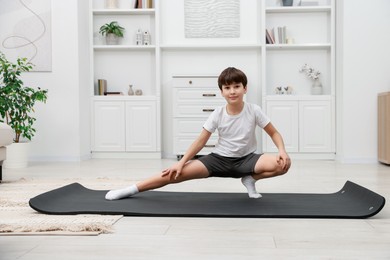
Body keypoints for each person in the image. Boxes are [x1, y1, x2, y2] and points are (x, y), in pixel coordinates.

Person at [105, 67, 291, 200]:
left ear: (245, 88)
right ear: (221, 92)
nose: (232, 91)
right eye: (227, 88)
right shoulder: (218, 113)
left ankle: (249, 179)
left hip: (247, 159)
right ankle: (131, 190)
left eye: (236, 86)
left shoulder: (254, 110)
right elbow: (200, 142)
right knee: (174, 174)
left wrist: (282, 151)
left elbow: (274, 133)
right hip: (219, 160)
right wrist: (181, 162)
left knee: (282, 164)